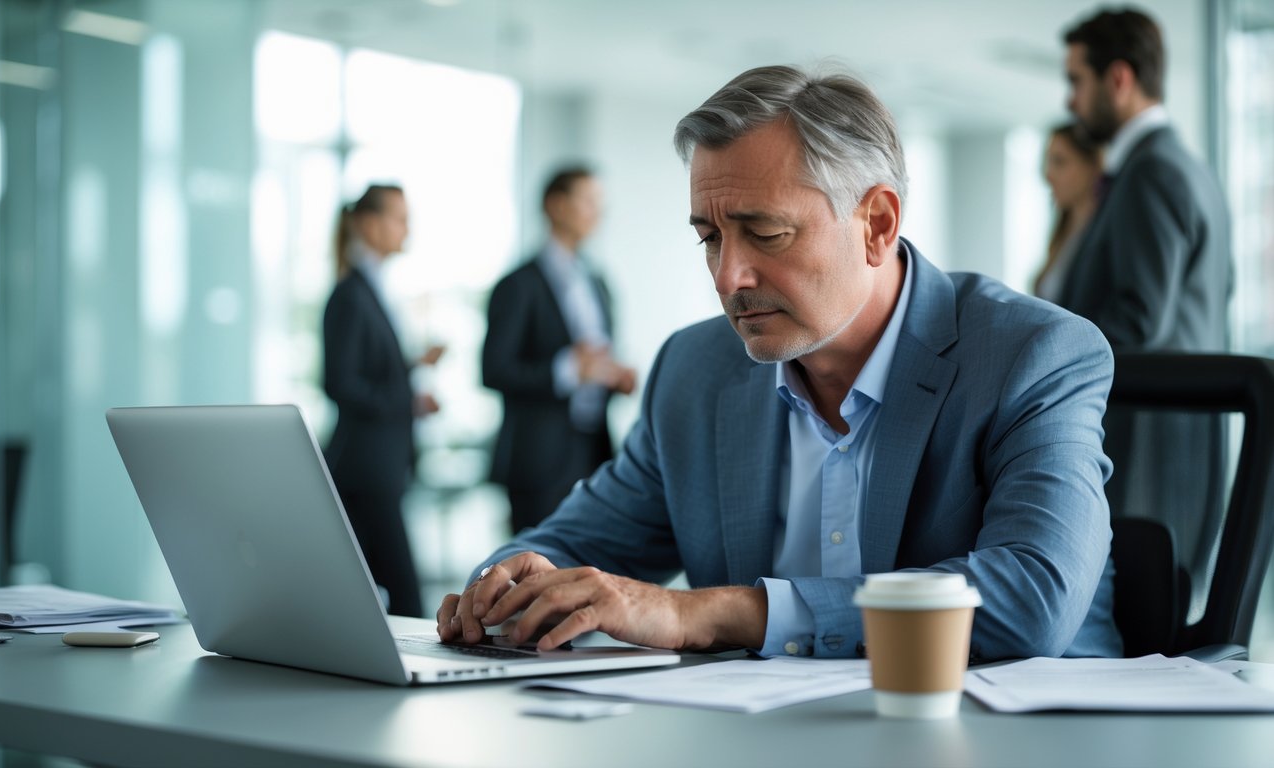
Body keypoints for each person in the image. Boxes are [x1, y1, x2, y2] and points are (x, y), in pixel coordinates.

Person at [438, 65, 1121, 661]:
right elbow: (573, 545)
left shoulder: (1033, 355)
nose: (728, 276)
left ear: (877, 224)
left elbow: (1033, 594)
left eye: (765, 233)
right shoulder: (694, 371)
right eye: (709, 238)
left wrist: (704, 613)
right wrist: (504, 587)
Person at [1059, 8, 1233, 611]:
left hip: (1151, 446)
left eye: (1077, 81)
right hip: (1177, 439)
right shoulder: (1185, 167)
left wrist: (1045, 354)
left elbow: (1138, 318)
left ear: (1119, 80)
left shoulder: (1152, 171)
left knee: (1145, 626)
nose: (1071, 100)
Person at [482, 167, 637, 535]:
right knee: (533, 575)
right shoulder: (517, 285)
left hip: (593, 451)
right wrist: (567, 370)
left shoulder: (598, 281)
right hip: (538, 458)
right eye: (588, 201)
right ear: (556, 205)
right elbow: (493, 369)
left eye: (600, 204)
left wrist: (614, 376)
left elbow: (599, 358)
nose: (597, 212)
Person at [323, 184, 442, 618]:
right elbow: (340, 383)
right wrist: (406, 400)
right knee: (404, 594)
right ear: (371, 224)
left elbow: (366, 374)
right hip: (366, 468)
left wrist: (411, 369)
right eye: (399, 218)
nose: (406, 228)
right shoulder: (351, 294)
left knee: (377, 591)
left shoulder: (370, 288)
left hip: (380, 464)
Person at [1032, 123, 1102, 301]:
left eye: (1060, 162)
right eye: (1048, 162)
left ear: (1093, 167)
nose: (1048, 174)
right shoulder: (1062, 234)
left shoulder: (1105, 235)